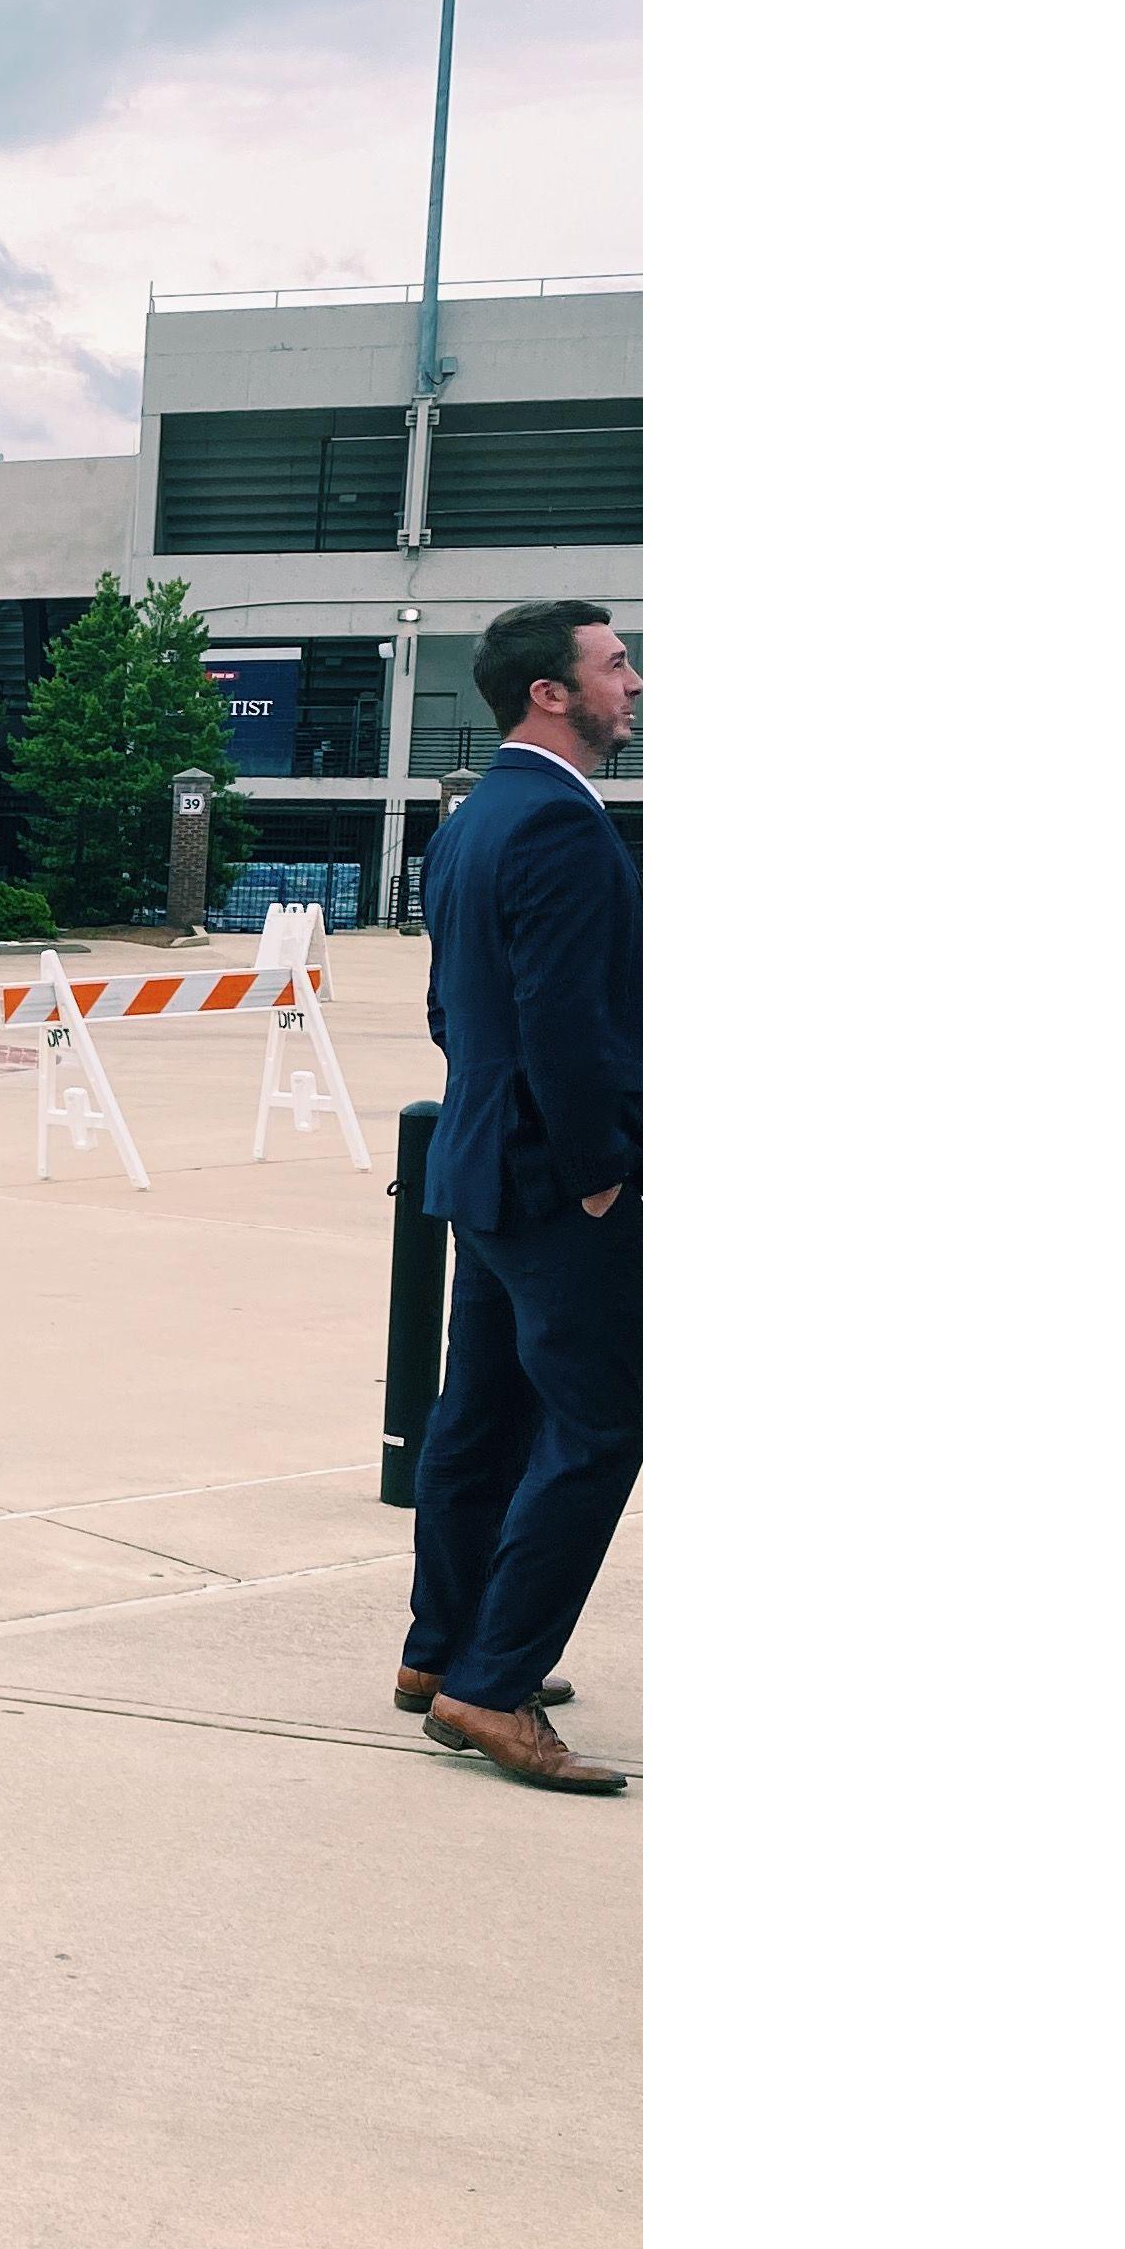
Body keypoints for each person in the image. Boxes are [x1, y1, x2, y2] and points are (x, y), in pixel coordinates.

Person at [398, 599, 644, 1792]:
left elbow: (452, 1010)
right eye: (613, 664)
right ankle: (491, 1690)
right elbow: (570, 1023)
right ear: (552, 692)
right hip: (558, 1185)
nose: (634, 682)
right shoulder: (561, 828)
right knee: (599, 1433)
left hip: (483, 1166)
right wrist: (601, 1169)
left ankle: (438, 1651)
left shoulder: (474, 820)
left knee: (480, 1417)